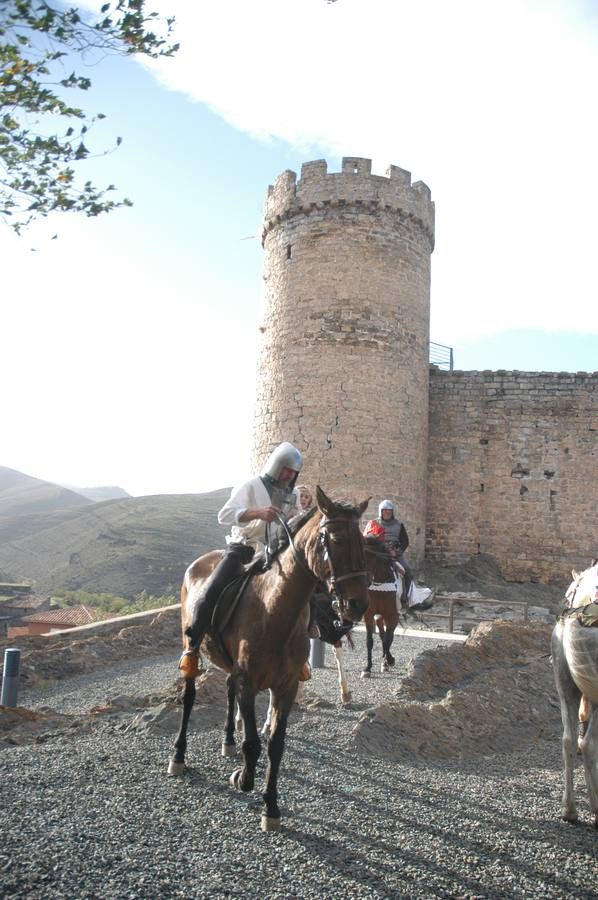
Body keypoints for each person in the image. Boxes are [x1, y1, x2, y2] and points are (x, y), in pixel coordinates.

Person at [184, 442, 304, 656]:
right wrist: (257, 513)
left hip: (277, 550)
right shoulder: (251, 485)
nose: (289, 475)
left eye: (293, 472)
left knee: (310, 591)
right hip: (245, 548)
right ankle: (192, 648)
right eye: (286, 469)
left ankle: (300, 653)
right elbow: (225, 515)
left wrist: (297, 517)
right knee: (211, 590)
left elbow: (296, 521)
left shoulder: (292, 493)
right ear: (276, 465)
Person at [363, 499, 413, 601]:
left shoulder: (399, 525)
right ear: (381, 512)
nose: (387, 513)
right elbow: (365, 539)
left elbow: (405, 542)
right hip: (377, 553)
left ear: (392, 512)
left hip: (393, 553)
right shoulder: (373, 523)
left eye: (389, 511)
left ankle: (406, 598)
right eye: (385, 511)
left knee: (408, 571)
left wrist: (397, 552)